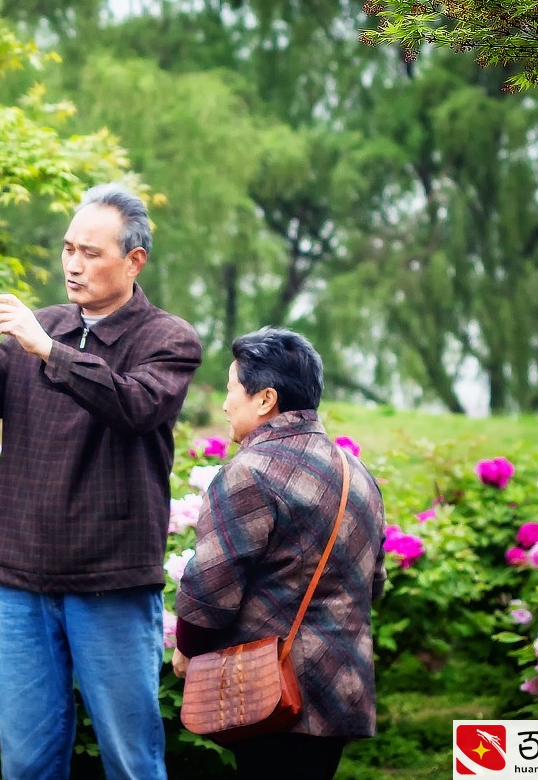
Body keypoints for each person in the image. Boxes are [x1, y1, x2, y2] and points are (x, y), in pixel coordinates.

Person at [0, 183, 203, 780]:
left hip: (110, 578)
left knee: (130, 759)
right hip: (23, 578)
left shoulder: (166, 338)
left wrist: (48, 349)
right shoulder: (40, 328)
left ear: (135, 260)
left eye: (91, 252)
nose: (74, 265)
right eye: (67, 249)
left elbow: (135, 405)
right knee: (26, 762)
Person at [172, 328, 386, 780]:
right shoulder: (356, 471)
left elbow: (211, 588)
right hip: (341, 689)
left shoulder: (250, 473)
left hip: (271, 690)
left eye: (232, 390)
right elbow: (375, 584)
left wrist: (187, 649)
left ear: (265, 399)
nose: (226, 405)